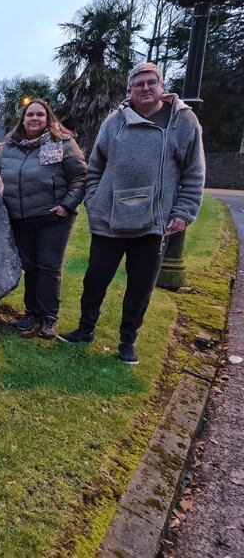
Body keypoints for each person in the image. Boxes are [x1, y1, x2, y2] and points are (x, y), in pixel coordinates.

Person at [58, 62, 205, 364]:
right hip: (110, 218)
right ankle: (85, 330)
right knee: (95, 280)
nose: (146, 88)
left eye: (152, 82)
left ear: (162, 87)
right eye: (139, 84)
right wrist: (95, 201)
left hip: (153, 221)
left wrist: (184, 210)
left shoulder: (184, 122)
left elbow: (194, 171)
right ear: (130, 91)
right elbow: (96, 165)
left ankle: (128, 342)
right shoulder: (114, 122)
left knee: (140, 288)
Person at [0, 99, 87, 339]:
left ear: (48, 119)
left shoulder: (63, 144)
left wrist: (67, 206)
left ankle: (48, 319)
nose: (34, 119)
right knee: (30, 268)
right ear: (22, 119)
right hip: (20, 219)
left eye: (40, 115)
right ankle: (32, 314)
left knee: (48, 267)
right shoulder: (10, 147)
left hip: (52, 218)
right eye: (29, 115)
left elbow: (80, 177)